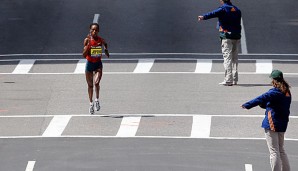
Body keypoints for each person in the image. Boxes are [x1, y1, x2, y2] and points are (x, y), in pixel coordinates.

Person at [242, 70, 291, 171]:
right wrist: (265, 104)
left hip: (272, 123)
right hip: (283, 124)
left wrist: (247, 105)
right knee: (281, 150)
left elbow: (261, 98)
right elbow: (273, 104)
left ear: (273, 80)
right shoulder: (287, 92)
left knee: (274, 151)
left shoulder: (274, 92)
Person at [198, 0, 241, 86]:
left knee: (227, 58)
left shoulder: (223, 9)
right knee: (234, 58)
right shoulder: (237, 9)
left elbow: (213, 13)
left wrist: (203, 17)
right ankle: (235, 79)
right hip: (236, 36)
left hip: (226, 36)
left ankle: (228, 80)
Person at [83, 23, 110, 114]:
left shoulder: (100, 40)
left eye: (96, 30)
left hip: (98, 64)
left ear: (98, 31)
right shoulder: (87, 40)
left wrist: (106, 50)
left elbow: (105, 44)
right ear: (90, 30)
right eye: (93, 30)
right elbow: (83, 55)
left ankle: (97, 100)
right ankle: (91, 104)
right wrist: (88, 47)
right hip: (89, 64)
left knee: (97, 83)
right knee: (90, 86)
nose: (94, 31)